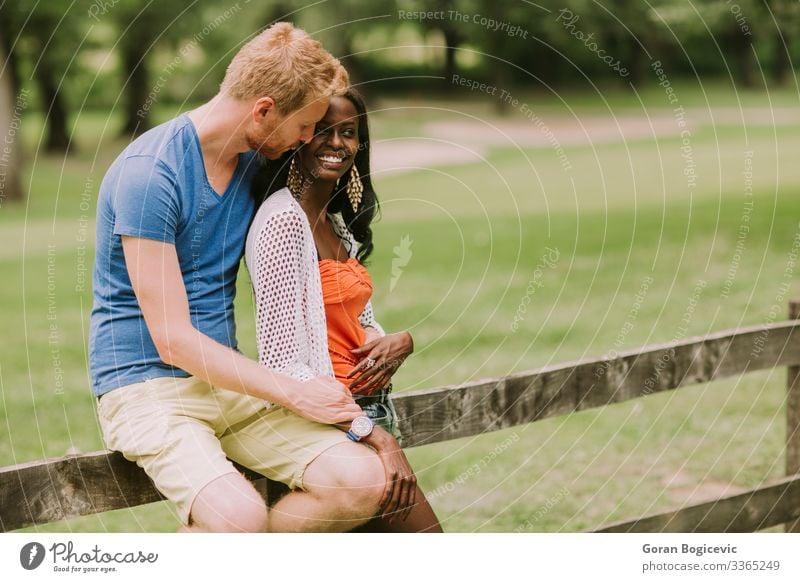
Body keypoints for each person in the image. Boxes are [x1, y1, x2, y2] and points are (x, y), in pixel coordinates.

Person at [90, 22, 390, 533]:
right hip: (144, 388)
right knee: (238, 517)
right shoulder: (150, 173)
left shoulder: (255, 162)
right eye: (305, 126)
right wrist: (294, 393)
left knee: (360, 481)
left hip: (226, 382)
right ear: (264, 109)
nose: (305, 140)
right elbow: (173, 341)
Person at [246, 88, 443, 532]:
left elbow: (359, 320)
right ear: (298, 137)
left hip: (371, 408)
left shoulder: (337, 223)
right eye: (322, 130)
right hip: (333, 426)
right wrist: (372, 436)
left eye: (349, 133)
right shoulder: (281, 223)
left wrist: (399, 341)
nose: (336, 143)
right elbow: (282, 363)